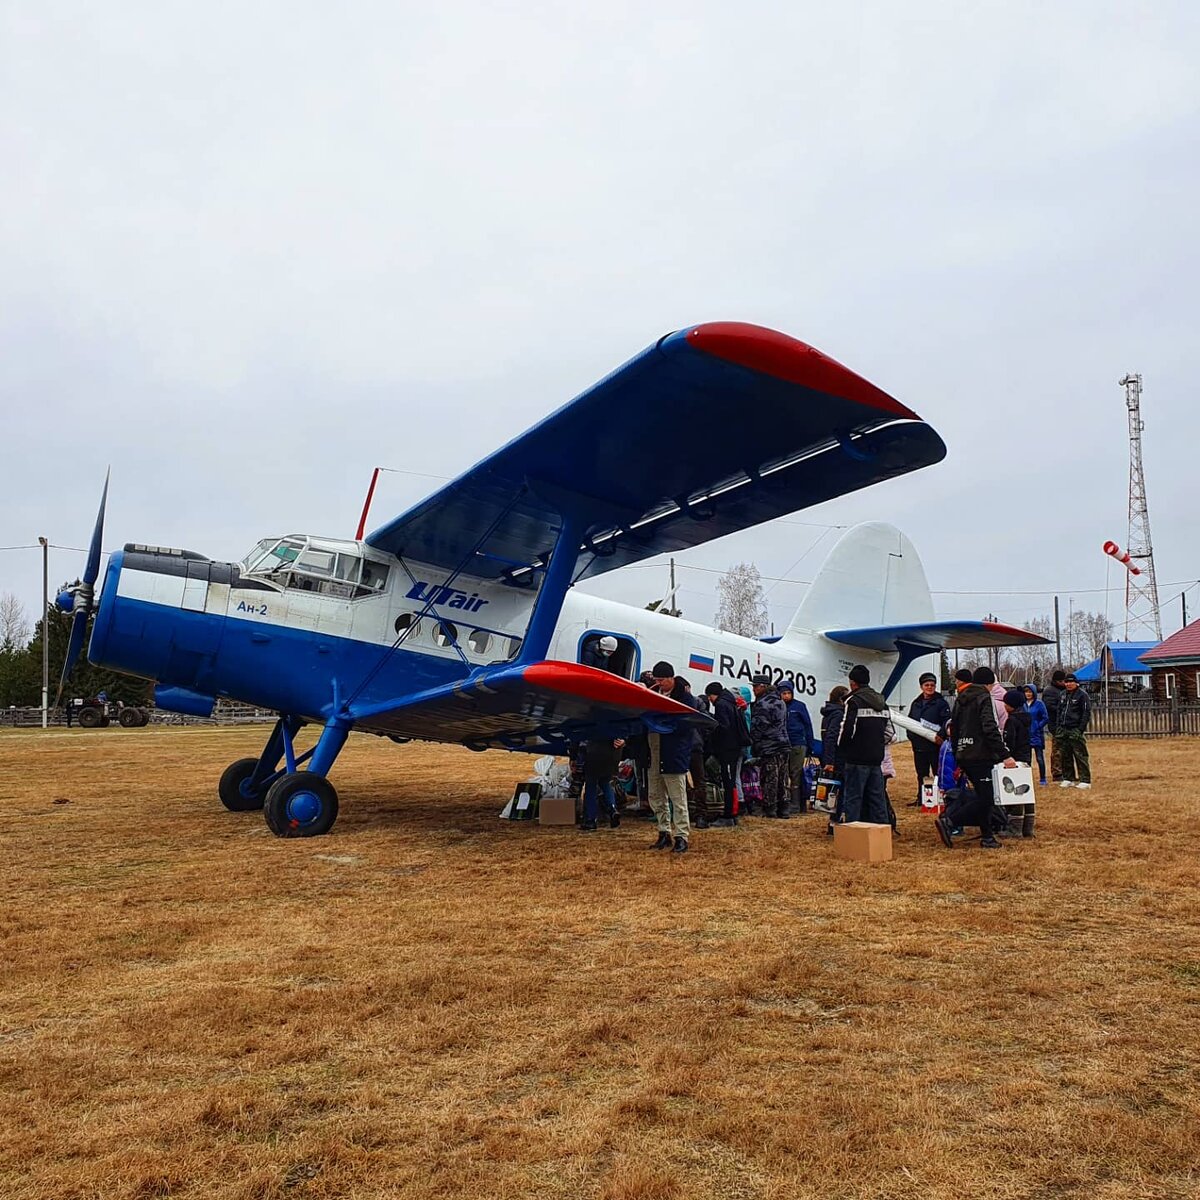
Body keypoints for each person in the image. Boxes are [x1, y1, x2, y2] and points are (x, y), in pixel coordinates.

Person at [936, 667, 1015, 850]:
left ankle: (987, 837)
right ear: (989, 684)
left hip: (964, 753)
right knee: (986, 798)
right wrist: (1005, 755)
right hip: (980, 755)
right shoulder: (984, 697)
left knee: (982, 795)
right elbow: (989, 728)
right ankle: (950, 820)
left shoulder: (960, 699)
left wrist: (958, 754)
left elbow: (954, 729)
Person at [647, 661, 696, 852]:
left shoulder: (685, 698)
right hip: (654, 751)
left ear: (671, 678)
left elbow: (687, 725)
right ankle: (663, 831)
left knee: (677, 797)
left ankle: (681, 835)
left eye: (662, 680)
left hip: (674, 753)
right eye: (657, 680)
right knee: (656, 795)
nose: (659, 683)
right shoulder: (652, 694)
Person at [836, 665, 891, 826]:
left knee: (853, 799)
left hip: (856, 759)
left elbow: (847, 729)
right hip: (876, 758)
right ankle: (882, 831)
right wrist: (876, 744)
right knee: (877, 799)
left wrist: (843, 749)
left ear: (853, 683)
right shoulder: (882, 703)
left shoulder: (853, 701)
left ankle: (853, 833)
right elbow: (890, 733)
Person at [704, 681, 750, 825]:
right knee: (732, 782)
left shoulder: (721, 705)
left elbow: (723, 727)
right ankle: (733, 812)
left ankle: (728, 815)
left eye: (709, 696)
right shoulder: (732, 703)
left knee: (728, 782)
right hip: (735, 748)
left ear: (713, 694)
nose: (709, 700)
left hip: (727, 749)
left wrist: (712, 733)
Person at [749, 673, 791, 818]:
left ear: (763, 687)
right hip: (784, 744)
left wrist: (755, 744)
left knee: (770, 778)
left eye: (755, 686)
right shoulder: (781, 702)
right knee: (783, 778)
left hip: (769, 745)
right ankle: (784, 808)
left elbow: (758, 727)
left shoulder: (762, 703)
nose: (754, 689)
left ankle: (770, 808)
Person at [906, 672, 950, 806]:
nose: (930, 687)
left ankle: (939, 798)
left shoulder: (941, 703)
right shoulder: (916, 703)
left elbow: (947, 721)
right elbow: (909, 721)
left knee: (938, 773)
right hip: (919, 746)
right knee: (921, 774)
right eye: (927, 685)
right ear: (921, 687)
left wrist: (940, 736)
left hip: (935, 746)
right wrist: (912, 737)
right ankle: (922, 798)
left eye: (932, 685)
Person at [778, 680, 815, 813]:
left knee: (796, 774)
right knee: (784, 774)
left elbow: (808, 725)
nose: (786, 696)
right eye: (784, 693)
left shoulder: (799, 706)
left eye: (789, 693)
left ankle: (796, 804)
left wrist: (810, 745)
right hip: (783, 744)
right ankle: (788, 801)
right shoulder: (778, 707)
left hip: (798, 744)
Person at [1002, 689, 1035, 838]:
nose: (1004, 706)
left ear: (1011, 705)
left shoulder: (1012, 721)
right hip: (1026, 759)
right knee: (1027, 793)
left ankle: (1014, 829)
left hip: (1015, 760)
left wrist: (1005, 755)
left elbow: (1010, 742)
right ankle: (1028, 828)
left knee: (1015, 793)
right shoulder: (1026, 719)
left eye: (1006, 703)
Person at [819, 685, 849, 835]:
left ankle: (834, 821)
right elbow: (832, 737)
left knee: (834, 791)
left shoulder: (828, 713)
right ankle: (836, 821)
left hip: (831, 756)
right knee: (840, 791)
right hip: (838, 757)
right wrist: (830, 761)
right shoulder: (838, 714)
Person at [580, 737, 624, 832]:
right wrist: (623, 740)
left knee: (591, 786)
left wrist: (573, 756)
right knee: (605, 783)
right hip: (611, 753)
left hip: (592, 752)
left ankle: (591, 820)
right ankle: (612, 809)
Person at [1057, 673, 1092, 789]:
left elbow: (1086, 713)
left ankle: (1085, 780)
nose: (1068, 684)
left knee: (1080, 755)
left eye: (1071, 682)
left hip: (1075, 729)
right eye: (1066, 682)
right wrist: (1058, 726)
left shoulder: (1082, 695)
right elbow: (1059, 711)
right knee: (1065, 755)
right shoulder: (1062, 695)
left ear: (1076, 683)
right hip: (1064, 729)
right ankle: (1068, 778)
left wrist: (1080, 729)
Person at [1043, 669, 1067, 783]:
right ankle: (1057, 773)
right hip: (1055, 724)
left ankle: (1066, 772)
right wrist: (1064, 709)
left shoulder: (1063, 690)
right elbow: (1050, 707)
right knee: (1057, 750)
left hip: (1064, 724)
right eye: (1063, 681)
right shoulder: (1050, 691)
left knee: (1066, 750)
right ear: (1058, 681)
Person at [1023, 683, 1049, 786]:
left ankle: (1043, 778)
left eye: (1030, 692)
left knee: (1039, 758)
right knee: (1027, 759)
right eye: (1026, 692)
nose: (1028, 694)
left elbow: (1045, 717)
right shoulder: (1023, 704)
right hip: (1025, 735)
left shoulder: (1039, 704)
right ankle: (1027, 778)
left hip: (1037, 734)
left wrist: (1038, 726)